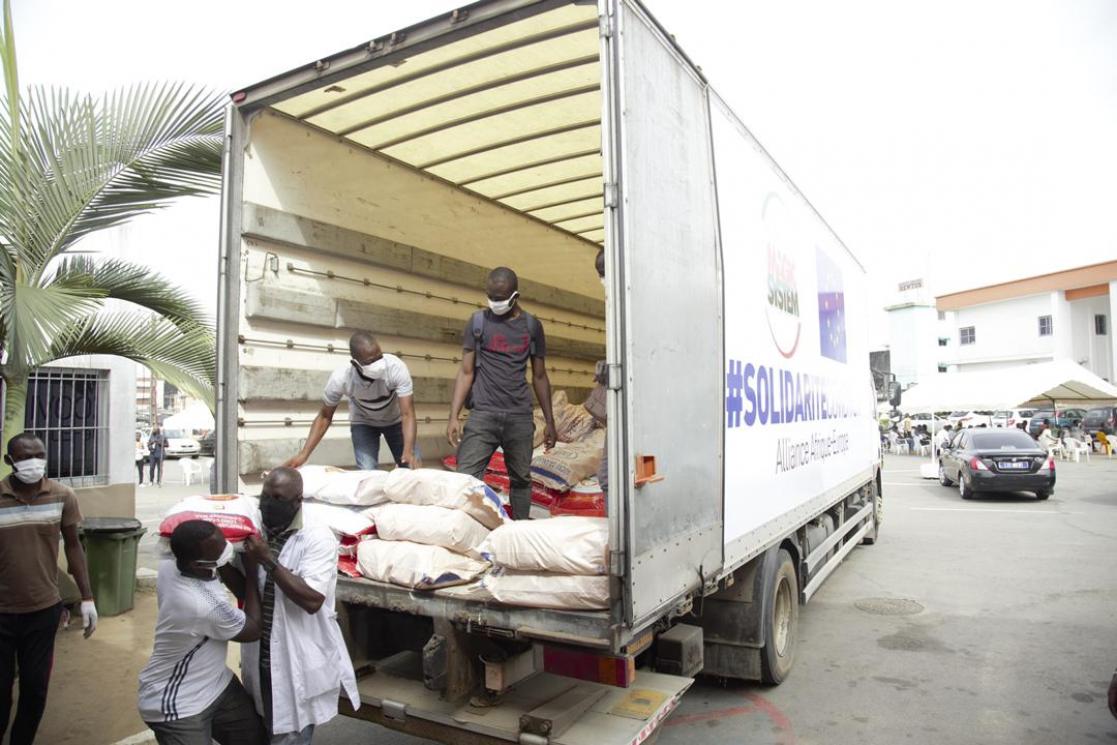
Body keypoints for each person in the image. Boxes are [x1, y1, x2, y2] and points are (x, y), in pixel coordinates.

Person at [237, 468, 358, 743]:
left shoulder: (317, 537)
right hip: (261, 653)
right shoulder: (256, 530)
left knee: (291, 734)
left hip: (297, 657)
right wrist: (221, 562)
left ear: (297, 501)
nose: (268, 503)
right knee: (264, 727)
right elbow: (246, 589)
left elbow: (313, 600)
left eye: (277, 498)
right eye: (265, 495)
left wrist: (267, 560)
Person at [1, 433, 97, 745]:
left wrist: (86, 598)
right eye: (25, 457)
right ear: (10, 462)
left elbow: (73, 547)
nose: (33, 463)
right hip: (1, 612)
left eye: (38, 455)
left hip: (43, 610)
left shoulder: (62, 495)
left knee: (35, 688)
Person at [138, 521, 267, 745]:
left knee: (253, 738)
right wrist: (254, 568)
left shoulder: (172, 564)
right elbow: (253, 629)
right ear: (199, 563)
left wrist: (222, 560)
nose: (227, 546)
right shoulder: (202, 605)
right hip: (179, 702)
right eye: (220, 549)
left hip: (216, 683)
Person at [446, 267, 557, 519]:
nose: (495, 303)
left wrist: (550, 421)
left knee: (520, 478)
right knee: (466, 476)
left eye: (500, 298)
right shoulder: (477, 322)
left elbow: (539, 375)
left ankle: (519, 531)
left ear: (515, 296)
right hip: (483, 414)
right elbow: (465, 372)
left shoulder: (531, 326)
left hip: (518, 416)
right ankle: (473, 527)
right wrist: (453, 416)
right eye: (491, 297)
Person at [284, 331, 418, 471]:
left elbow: (408, 413)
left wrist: (408, 451)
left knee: (412, 469)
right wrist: (304, 454)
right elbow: (324, 417)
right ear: (355, 363)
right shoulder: (341, 378)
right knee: (366, 472)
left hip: (396, 421)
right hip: (364, 423)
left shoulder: (396, 368)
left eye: (379, 357)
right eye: (370, 361)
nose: (378, 364)